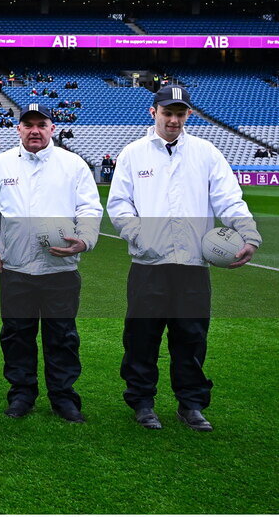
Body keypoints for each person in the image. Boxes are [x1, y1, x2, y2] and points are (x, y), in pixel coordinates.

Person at [107, 85, 261, 432]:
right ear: (154, 112)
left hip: (193, 265)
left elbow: (228, 199)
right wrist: (139, 236)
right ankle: (142, 402)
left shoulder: (206, 153)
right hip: (149, 265)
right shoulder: (133, 154)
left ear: (188, 115)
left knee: (191, 337)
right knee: (141, 337)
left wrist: (248, 233)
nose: (173, 119)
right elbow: (118, 205)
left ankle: (190, 404)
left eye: (180, 113)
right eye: (167, 112)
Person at [0, 103, 103, 423]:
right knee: (17, 334)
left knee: (61, 335)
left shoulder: (73, 165)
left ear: (52, 128)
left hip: (60, 269)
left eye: (41, 124)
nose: (35, 130)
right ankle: (21, 394)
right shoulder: (0, 164)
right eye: (28, 124)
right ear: (18, 129)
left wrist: (85, 239)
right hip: (15, 267)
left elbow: (90, 208)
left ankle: (63, 397)